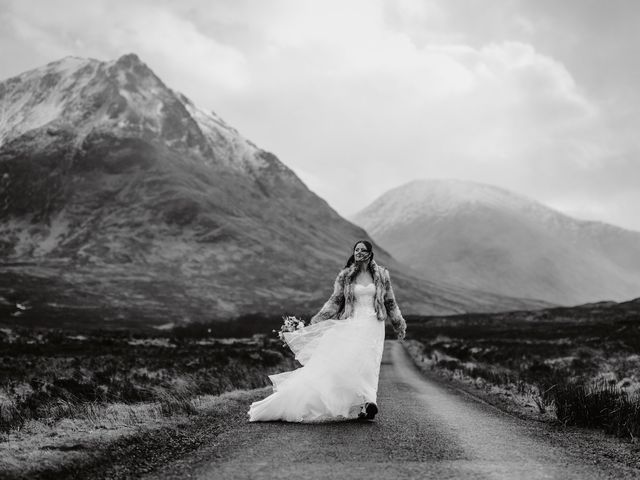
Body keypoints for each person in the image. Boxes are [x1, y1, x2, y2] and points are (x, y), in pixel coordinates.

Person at [248, 240, 406, 423]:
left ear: (370, 254)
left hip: (374, 325)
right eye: (356, 250)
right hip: (353, 323)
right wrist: (316, 321)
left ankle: (369, 402)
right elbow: (335, 301)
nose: (359, 253)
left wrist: (398, 323)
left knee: (371, 363)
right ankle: (362, 401)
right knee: (351, 363)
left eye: (363, 250)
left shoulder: (382, 275)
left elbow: (390, 302)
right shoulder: (345, 276)